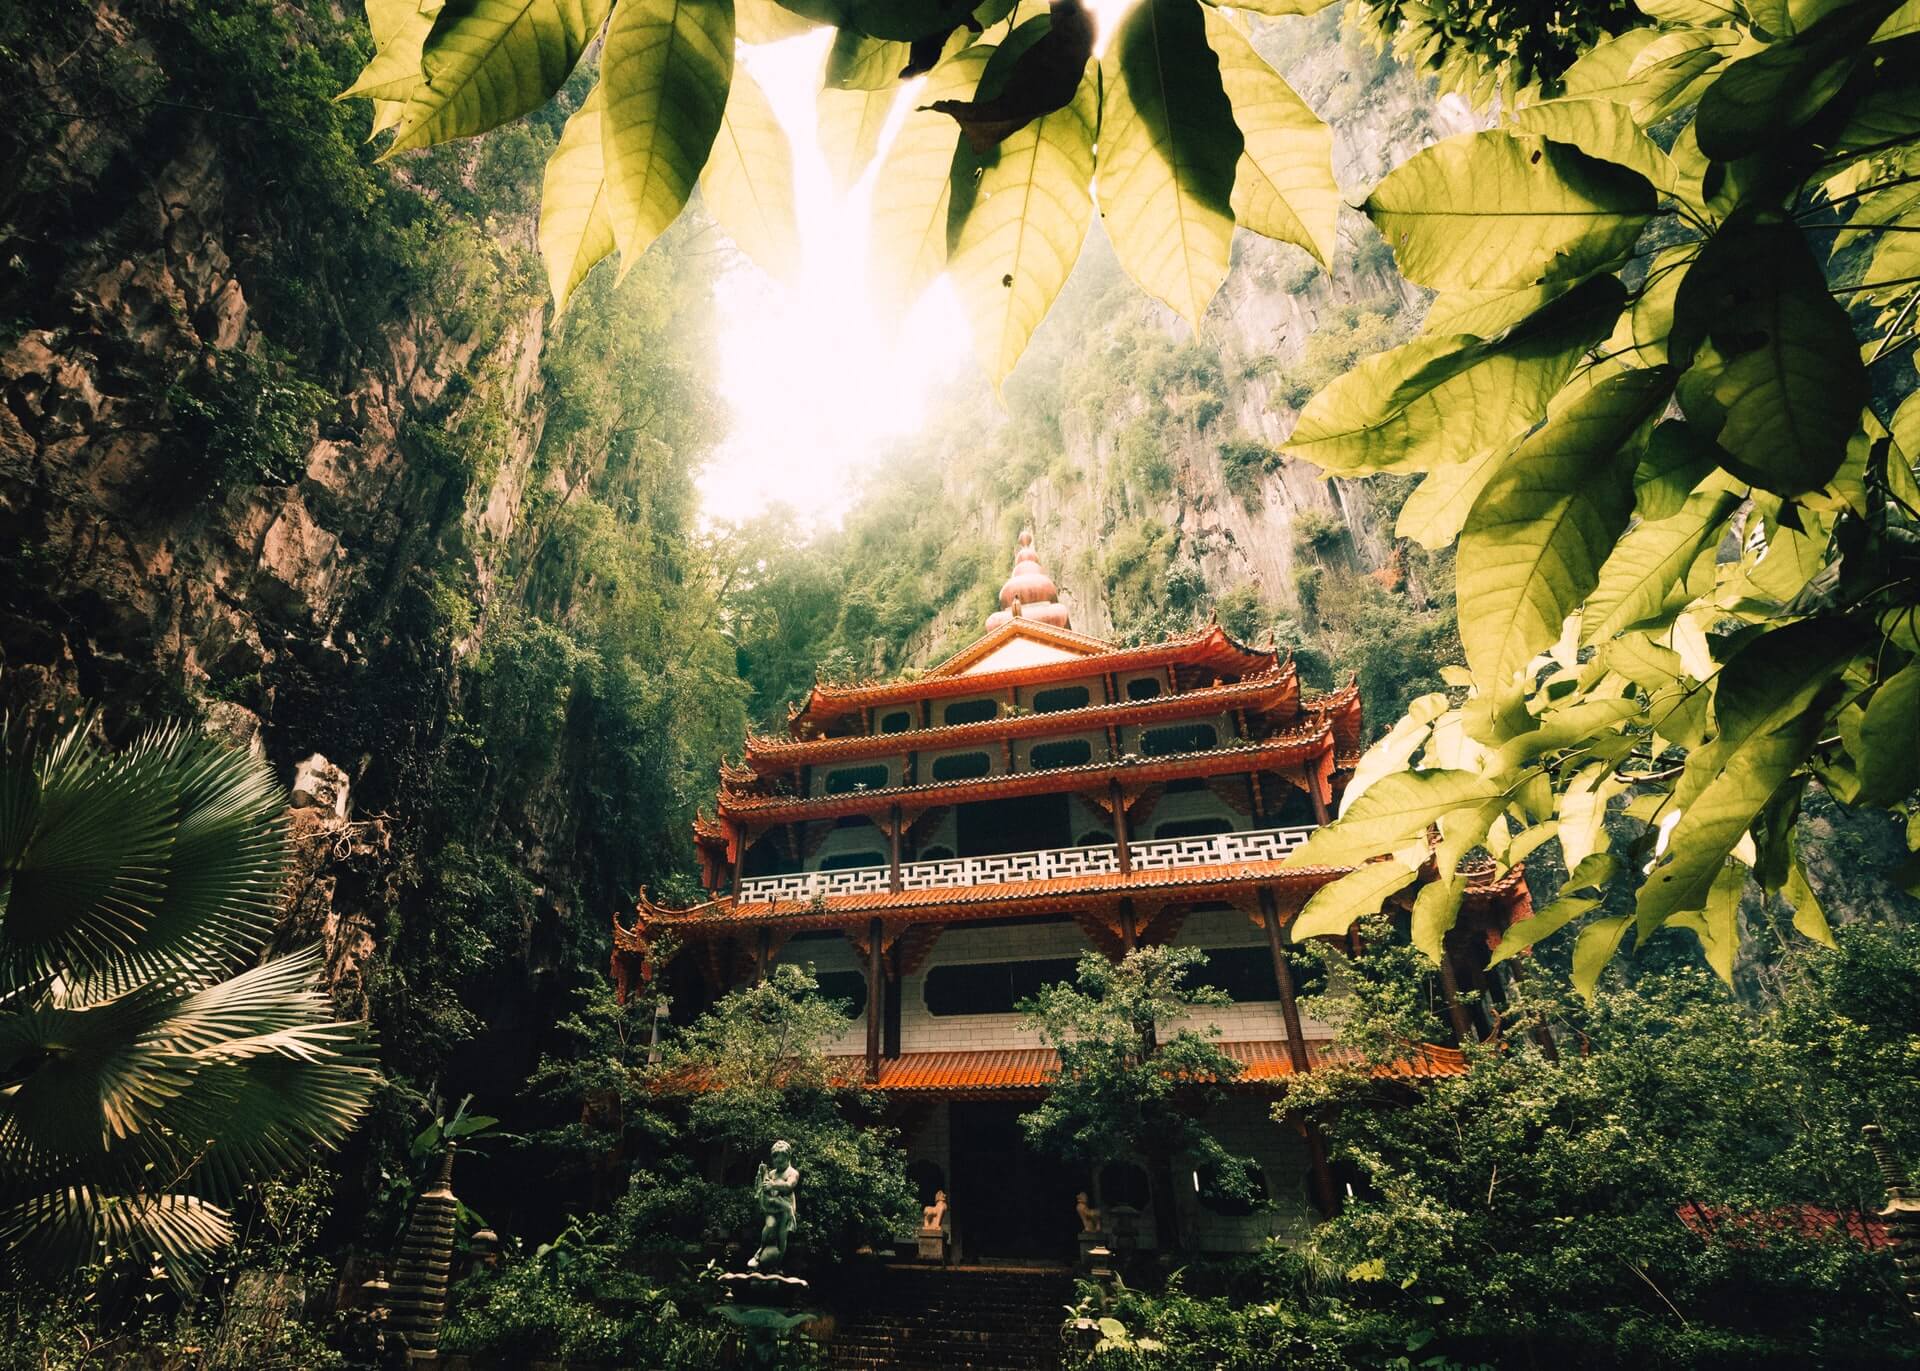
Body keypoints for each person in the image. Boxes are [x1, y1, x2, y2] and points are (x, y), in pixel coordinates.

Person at [747, 1139, 800, 1271]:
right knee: (770, 1225)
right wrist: (762, 1180)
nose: (778, 1164)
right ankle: (760, 1250)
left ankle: (777, 1265)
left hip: (785, 1207)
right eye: (776, 1161)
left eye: (781, 1161)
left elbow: (789, 1186)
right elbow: (766, 1189)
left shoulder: (792, 1173)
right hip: (772, 1205)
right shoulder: (772, 1173)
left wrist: (774, 1184)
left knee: (782, 1236)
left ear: (788, 1158)